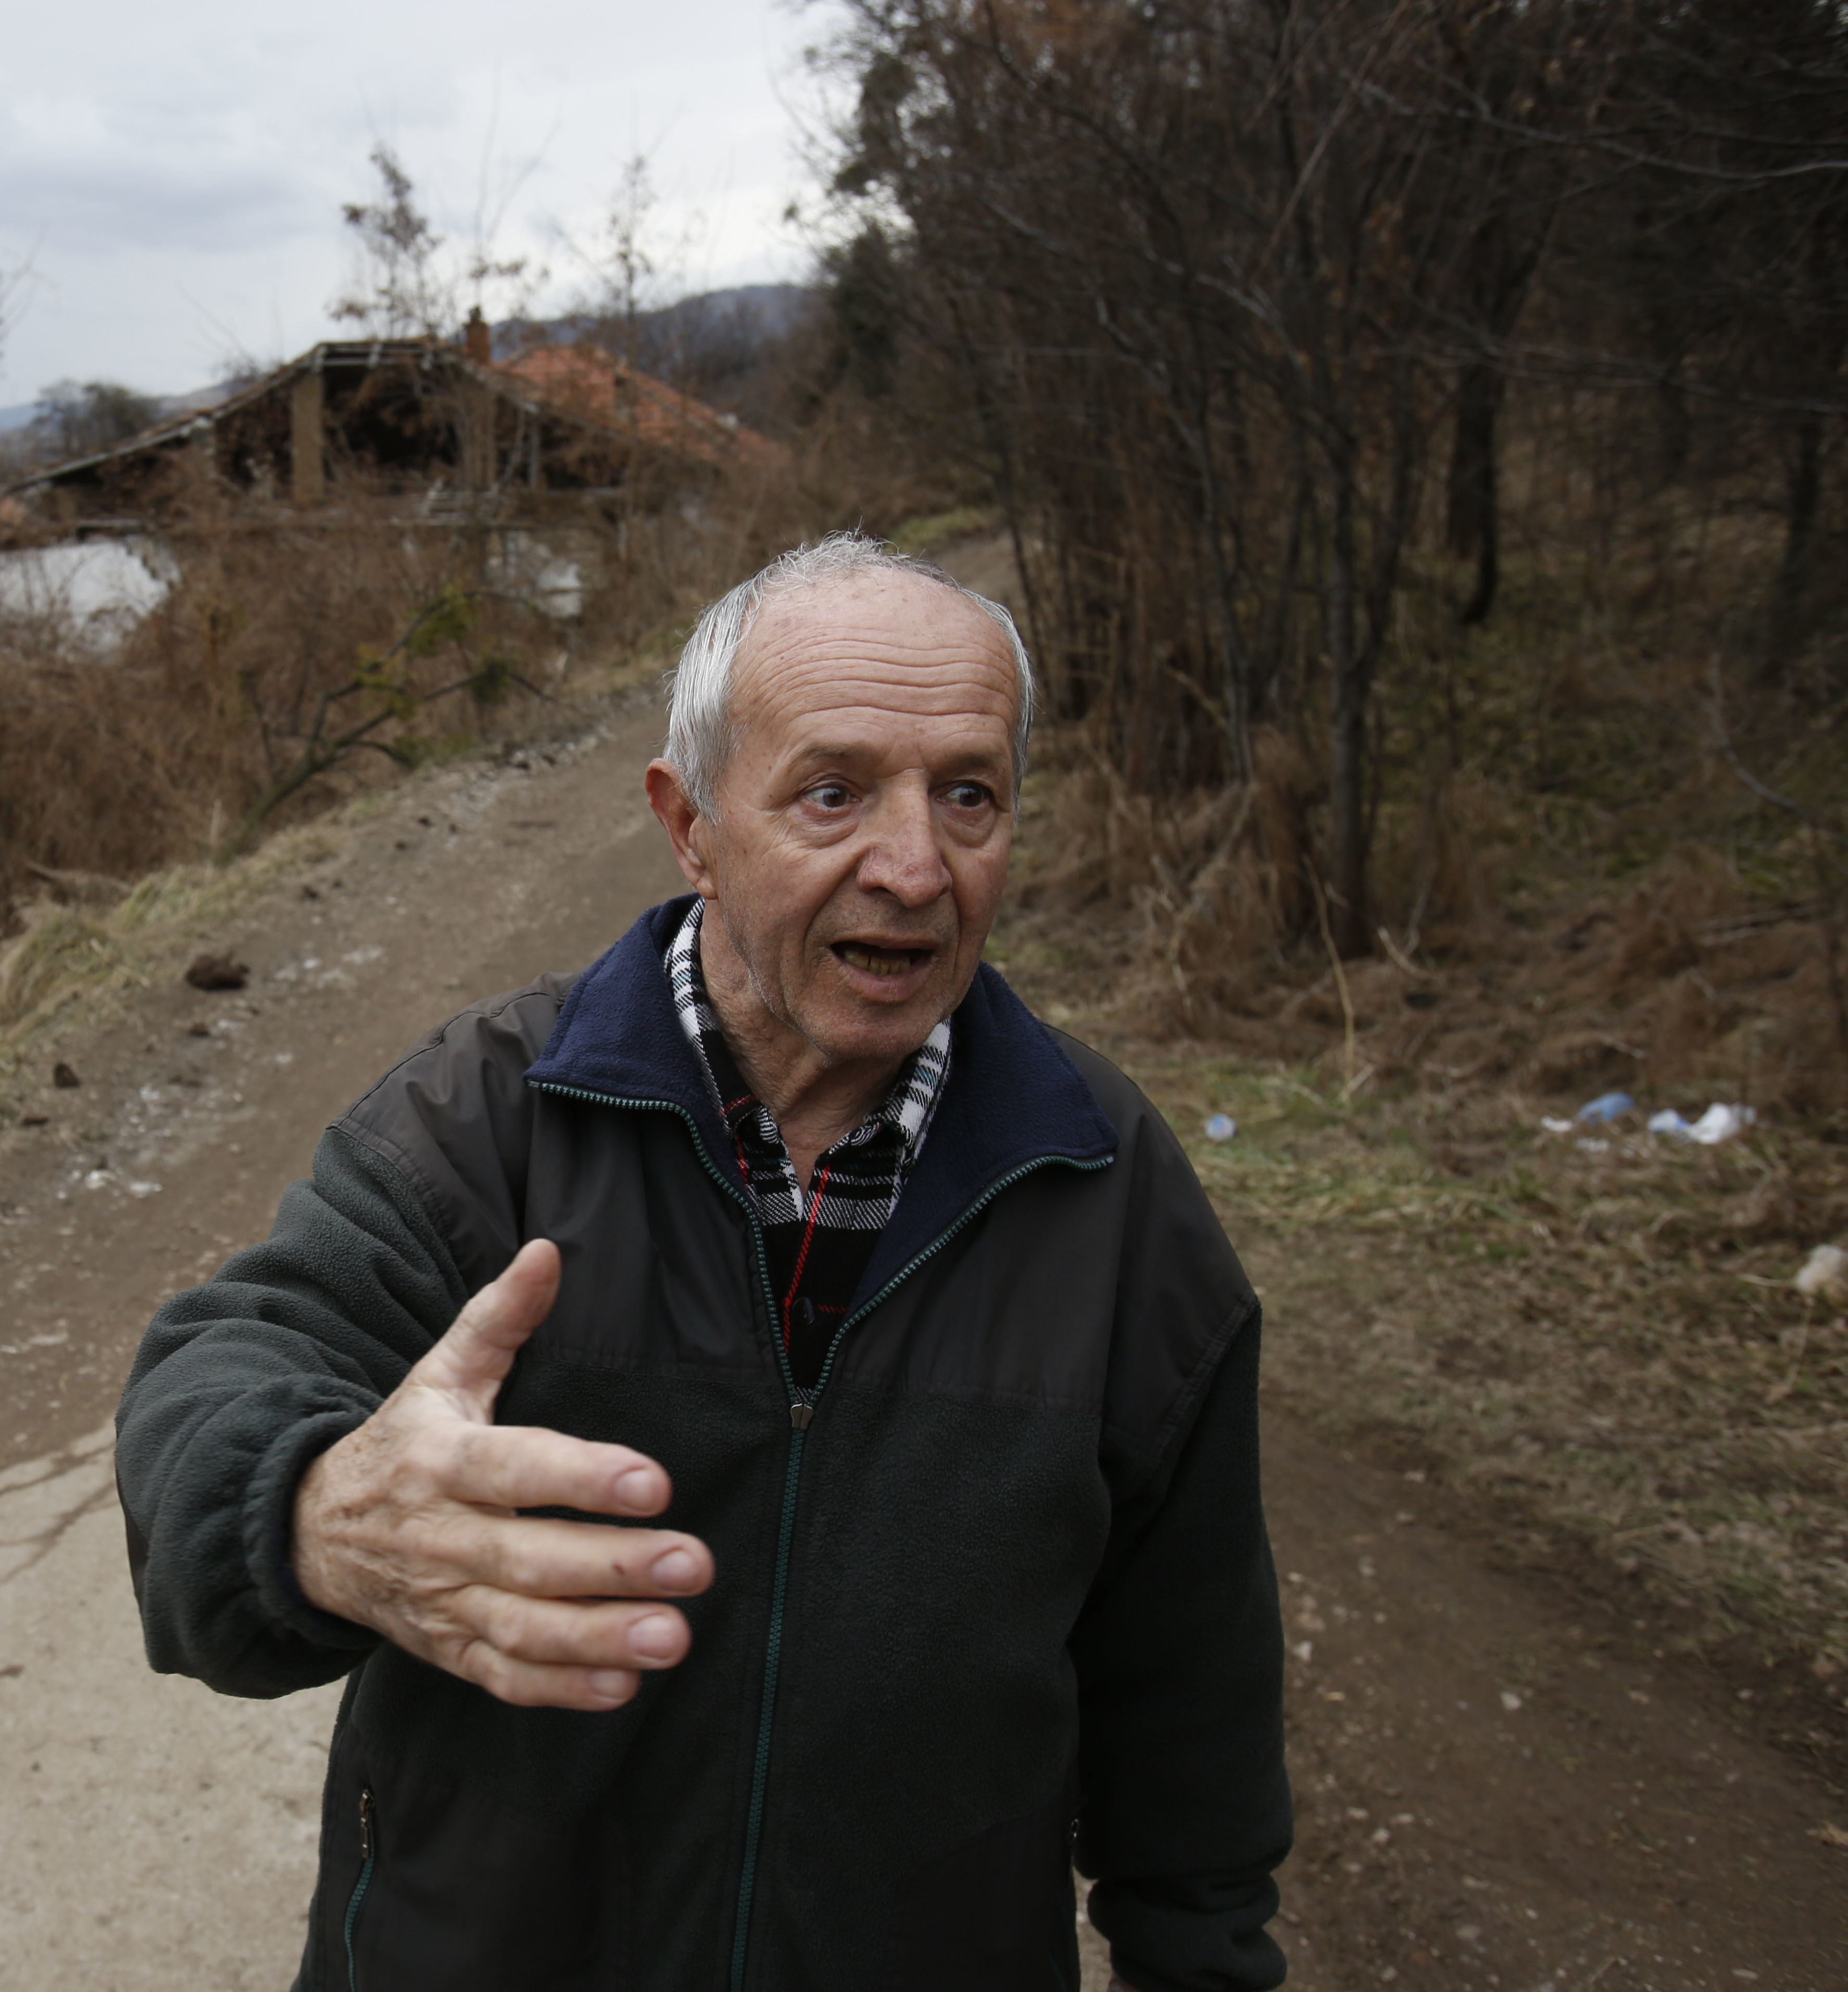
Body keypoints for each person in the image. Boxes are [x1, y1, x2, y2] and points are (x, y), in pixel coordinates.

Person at [114, 533, 1291, 1991]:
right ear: (692, 827)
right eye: (833, 793)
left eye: (968, 795)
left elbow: (1195, 1717)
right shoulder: (491, 1115)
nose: (914, 868)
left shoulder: (1109, 1187)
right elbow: (222, 1371)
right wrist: (312, 1511)